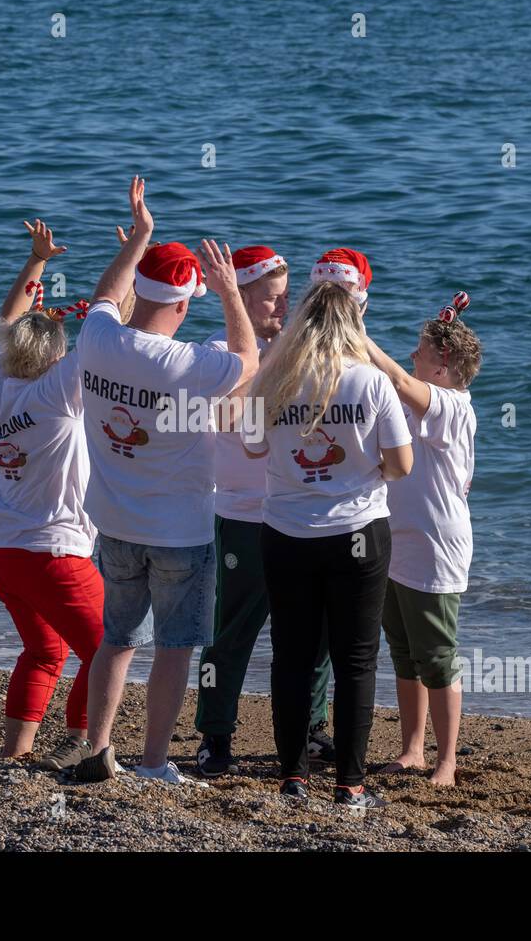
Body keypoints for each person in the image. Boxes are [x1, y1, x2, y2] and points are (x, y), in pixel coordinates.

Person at [73, 177, 259, 783]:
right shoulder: (189, 364)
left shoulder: (97, 339)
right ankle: (153, 761)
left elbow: (105, 293)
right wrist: (232, 292)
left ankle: (97, 749)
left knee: (116, 640)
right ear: (184, 305)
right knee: (174, 650)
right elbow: (248, 359)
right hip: (180, 531)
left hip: (115, 522)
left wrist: (141, 239)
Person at [244, 279, 413, 809]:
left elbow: (252, 448)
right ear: (353, 328)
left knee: (291, 658)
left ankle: (292, 778)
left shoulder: (273, 379)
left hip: (287, 532)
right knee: (356, 660)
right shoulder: (371, 381)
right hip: (357, 533)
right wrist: (364, 469)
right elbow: (401, 465)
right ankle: (350, 784)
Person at [194, 245, 336, 778]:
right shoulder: (217, 352)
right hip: (245, 514)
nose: (283, 309)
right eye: (272, 299)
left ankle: (312, 725)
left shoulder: (302, 348)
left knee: (315, 632)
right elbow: (232, 423)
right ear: (244, 295)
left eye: (286, 298)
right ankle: (215, 733)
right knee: (231, 632)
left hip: (303, 514)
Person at [0, 218, 103, 772]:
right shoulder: (59, 389)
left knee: (45, 651)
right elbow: (103, 330)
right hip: (55, 554)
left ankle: (16, 753)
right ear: (57, 357)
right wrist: (133, 256)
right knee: (106, 651)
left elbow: (7, 320)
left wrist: (36, 262)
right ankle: (78, 742)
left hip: (1, 550)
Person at [365, 297, 481, 786]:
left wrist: (356, 332)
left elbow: (395, 378)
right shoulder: (420, 401)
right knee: (403, 651)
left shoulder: (453, 407)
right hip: (397, 540)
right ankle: (412, 748)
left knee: (436, 656)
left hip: (436, 544)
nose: (413, 355)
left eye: (420, 350)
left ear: (444, 363)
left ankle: (447, 759)